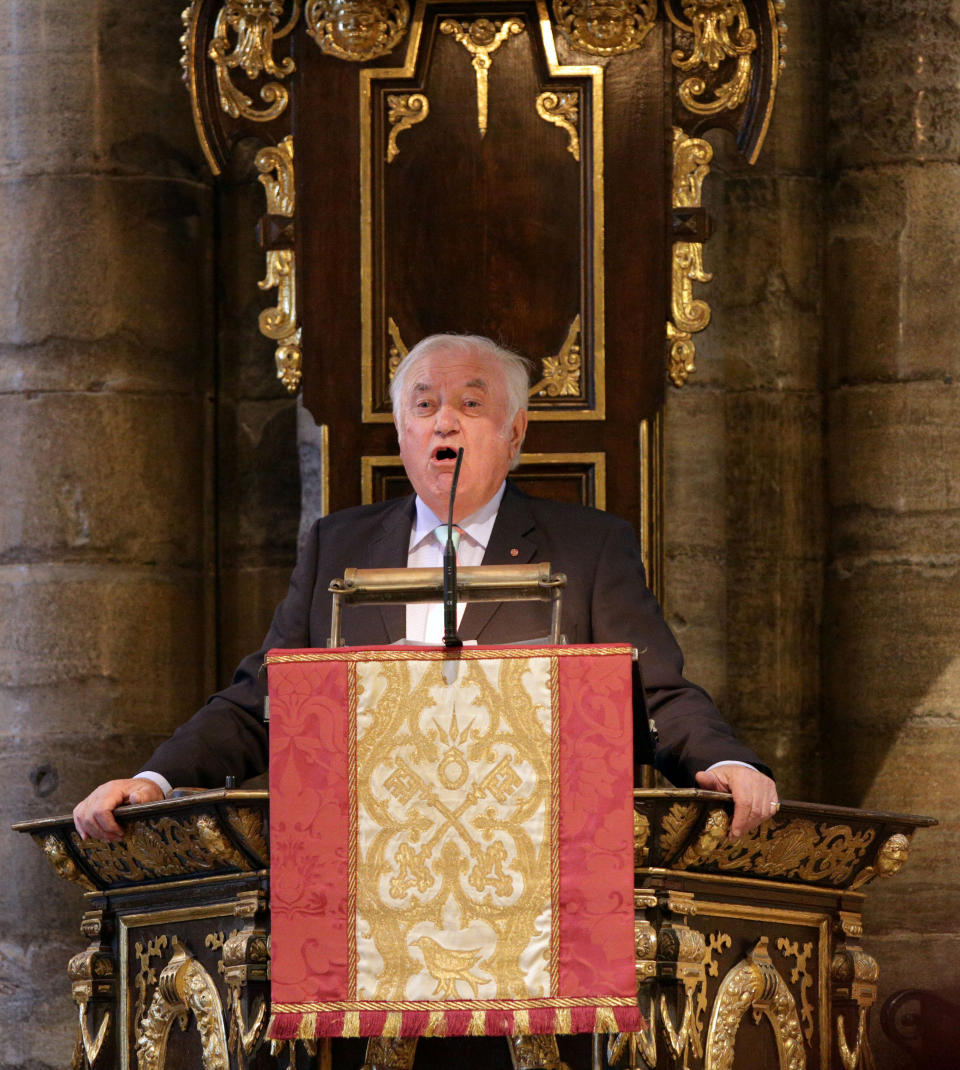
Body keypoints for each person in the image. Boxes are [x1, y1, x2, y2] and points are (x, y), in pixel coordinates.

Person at [73, 334, 777, 842]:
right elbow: (266, 697)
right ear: (404, 435)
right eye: (424, 405)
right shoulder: (337, 548)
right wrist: (156, 781)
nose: (445, 421)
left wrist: (724, 761)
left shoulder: (589, 547)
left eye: (471, 403)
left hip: (540, 852)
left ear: (514, 433)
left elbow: (654, 692)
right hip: (367, 851)